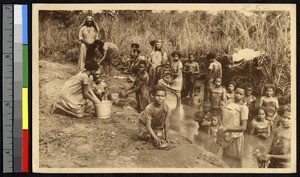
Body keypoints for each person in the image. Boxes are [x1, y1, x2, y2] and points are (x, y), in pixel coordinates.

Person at [217, 83, 249, 165]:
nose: (238, 95)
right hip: (224, 135)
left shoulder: (243, 108)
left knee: (234, 162)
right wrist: (221, 125)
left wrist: (227, 129)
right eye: (236, 92)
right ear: (234, 92)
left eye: (241, 94)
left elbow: (243, 127)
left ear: (244, 96)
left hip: (235, 138)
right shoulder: (229, 101)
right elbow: (220, 114)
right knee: (223, 159)